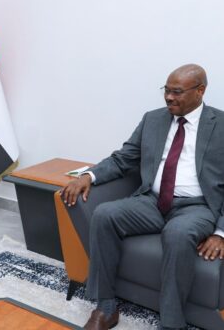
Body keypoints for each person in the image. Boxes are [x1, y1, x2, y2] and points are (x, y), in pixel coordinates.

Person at [60, 64, 224, 330]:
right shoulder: (153, 119)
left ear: (200, 91)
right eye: (166, 90)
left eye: (177, 92)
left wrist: (220, 232)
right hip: (153, 201)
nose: (169, 97)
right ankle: (105, 306)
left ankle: (172, 323)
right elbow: (124, 158)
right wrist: (88, 176)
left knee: (178, 233)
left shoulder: (221, 125)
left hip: (197, 206)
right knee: (104, 214)